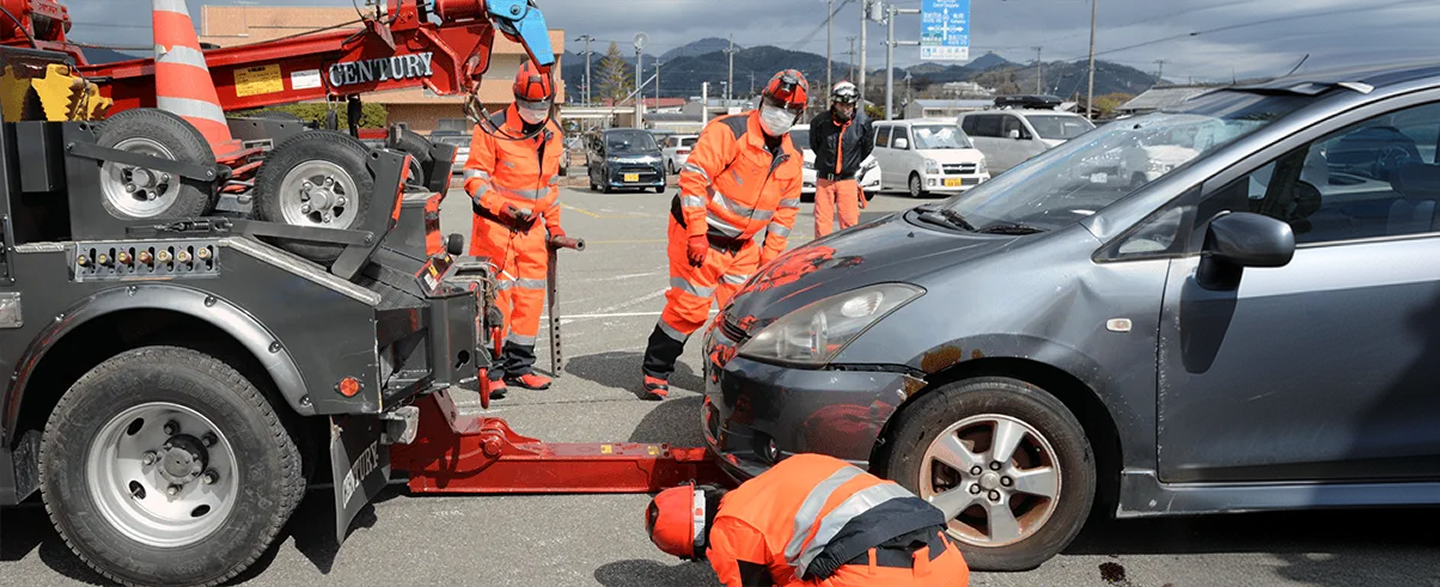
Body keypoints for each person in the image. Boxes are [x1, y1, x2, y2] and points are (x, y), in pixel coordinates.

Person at [639, 70, 809, 400]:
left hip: (742, 246)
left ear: (798, 115)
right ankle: (656, 370)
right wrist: (697, 234)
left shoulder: (792, 158)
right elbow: (693, 180)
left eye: (788, 110)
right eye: (776, 105)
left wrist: (769, 262)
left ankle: (722, 375)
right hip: (701, 234)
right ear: (762, 100)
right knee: (689, 308)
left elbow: (785, 214)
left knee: (744, 316)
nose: (780, 114)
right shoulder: (728, 132)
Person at [644, 453, 970, 587]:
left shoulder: (728, 531)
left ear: (695, 546)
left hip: (874, 577)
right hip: (947, 562)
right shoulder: (791, 469)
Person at [462, 60, 568, 398]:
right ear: (516, 97)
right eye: (530, 104)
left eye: (542, 105)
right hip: (496, 228)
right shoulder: (491, 128)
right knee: (496, 301)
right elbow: (474, 179)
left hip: (532, 231)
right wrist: (501, 206)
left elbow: (550, 187)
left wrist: (554, 226)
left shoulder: (553, 133)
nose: (536, 111)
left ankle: (520, 367)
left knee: (529, 299)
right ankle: (491, 370)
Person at [808, 81, 874, 238]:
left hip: (848, 179)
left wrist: (850, 163)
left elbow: (866, 147)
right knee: (822, 222)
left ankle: (850, 252)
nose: (846, 109)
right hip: (825, 179)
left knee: (849, 223)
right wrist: (827, 162)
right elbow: (816, 145)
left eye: (849, 105)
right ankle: (822, 251)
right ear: (834, 103)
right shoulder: (820, 122)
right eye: (842, 105)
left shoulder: (863, 122)